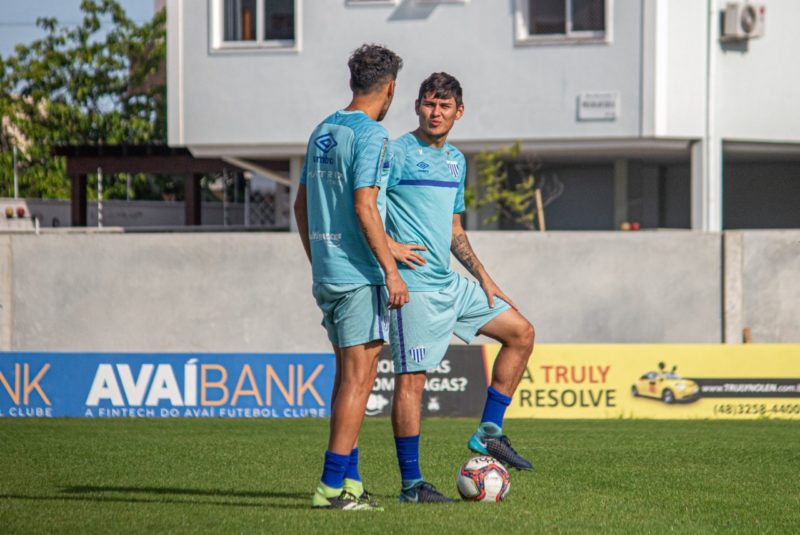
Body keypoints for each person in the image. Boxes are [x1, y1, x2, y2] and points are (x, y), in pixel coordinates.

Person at [385, 72, 536, 503]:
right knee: (412, 383)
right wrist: (391, 249)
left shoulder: (456, 161)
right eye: (429, 104)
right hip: (412, 288)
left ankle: (488, 433)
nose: (436, 113)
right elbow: (366, 206)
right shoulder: (394, 153)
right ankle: (412, 486)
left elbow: (454, 229)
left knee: (521, 333)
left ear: (459, 112)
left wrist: (483, 275)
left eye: (445, 106)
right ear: (417, 106)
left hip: (452, 283)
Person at [294, 43, 409, 511]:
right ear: (390, 88)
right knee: (360, 382)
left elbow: (301, 206)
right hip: (359, 277)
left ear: (351, 83)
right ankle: (329, 489)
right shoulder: (372, 135)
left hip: (327, 272)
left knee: (348, 380)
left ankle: (352, 483)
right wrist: (391, 269)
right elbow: (365, 206)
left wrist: (318, 258)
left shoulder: (324, 129)